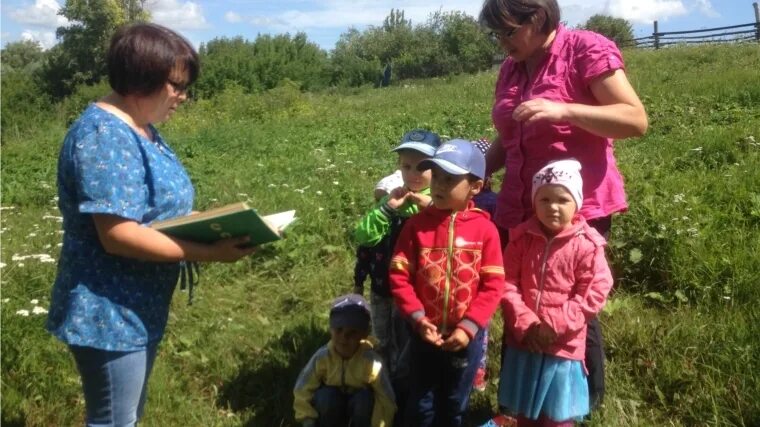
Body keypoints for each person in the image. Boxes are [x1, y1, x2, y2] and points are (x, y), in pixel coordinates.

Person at [45, 23, 256, 426]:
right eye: (176, 85)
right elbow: (118, 235)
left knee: (126, 415)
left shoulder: (140, 127)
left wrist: (206, 223)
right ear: (142, 78)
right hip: (108, 311)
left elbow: (147, 213)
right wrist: (208, 252)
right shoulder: (103, 135)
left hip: (138, 304)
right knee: (113, 420)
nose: (183, 96)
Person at [479, 0, 648, 407]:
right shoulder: (512, 66)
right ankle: (521, 401)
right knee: (518, 297)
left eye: (509, 32)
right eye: (496, 34)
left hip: (574, 209)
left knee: (567, 303)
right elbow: (510, 133)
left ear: (537, 17)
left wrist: (564, 109)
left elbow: (635, 119)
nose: (503, 43)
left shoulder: (584, 49)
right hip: (519, 206)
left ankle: (580, 403)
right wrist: (476, 171)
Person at [390, 139, 505, 427]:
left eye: (450, 179)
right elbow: (399, 275)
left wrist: (468, 328)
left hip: (464, 339)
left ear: (475, 187)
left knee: (455, 403)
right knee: (421, 403)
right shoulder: (415, 227)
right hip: (423, 334)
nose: (439, 185)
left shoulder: (486, 231)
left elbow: (493, 285)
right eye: (437, 177)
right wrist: (417, 318)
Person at [498, 159, 614, 426]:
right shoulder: (521, 239)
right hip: (526, 341)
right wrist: (526, 324)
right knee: (524, 412)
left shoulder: (587, 245)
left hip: (562, 345)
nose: (553, 207)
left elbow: (593, 292)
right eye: (545, 199)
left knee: (556, 417)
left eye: (563, 199)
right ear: (534, 202)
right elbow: (507, 283)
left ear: (577, 203)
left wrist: (553, 325)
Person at [354, 129, 441, 377]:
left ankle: (406, 381)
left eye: (421, 167)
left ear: (436, 169)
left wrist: (433, 208)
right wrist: (388, 209)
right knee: (382, 334)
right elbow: (364, 237)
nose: (413, 174)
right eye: (407, 166)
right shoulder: (394, 199)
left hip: (418, 288)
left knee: (409, 335)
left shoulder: (439, 201)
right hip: (383, 282)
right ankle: (383, 380)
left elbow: (452, 232)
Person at [293, 294, 396, 427]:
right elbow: (303, 388)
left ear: (363, 334)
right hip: (332, 406)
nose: (344, 338)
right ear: (331, 330)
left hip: (359, 407)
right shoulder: (322, 357)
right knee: (325, 397)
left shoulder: (371, 362)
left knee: (364, 400)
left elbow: (386, 399)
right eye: (339, 330)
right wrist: (307, 420)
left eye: (352, 333)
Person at [469, 138, 499, 393]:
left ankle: (476, 370)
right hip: (484, 271)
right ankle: (477, 371)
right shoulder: (496, 201)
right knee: (481, 323)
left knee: (478, 323)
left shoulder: (488, 203)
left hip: (476, 273)